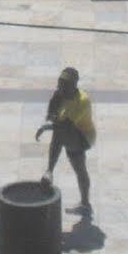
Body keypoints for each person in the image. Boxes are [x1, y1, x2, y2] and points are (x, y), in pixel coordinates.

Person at [36, 66, 96, 212]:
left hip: (83, 137)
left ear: (74, 86)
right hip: (66, 132)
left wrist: (45, 128)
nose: (60, 88)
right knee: (60, 136)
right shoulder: (60, 95)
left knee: (80, 168)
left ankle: (85, 203)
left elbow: (65, 126)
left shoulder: (82, 101)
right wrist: (52, 110)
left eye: (64, 85)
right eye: (59, 84)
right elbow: (52, 117)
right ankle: (49, 171)